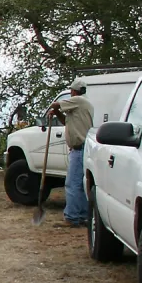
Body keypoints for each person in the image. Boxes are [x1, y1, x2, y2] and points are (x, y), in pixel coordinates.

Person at [47, 78, 95, 227]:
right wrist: (56, 112)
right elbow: (66, 121)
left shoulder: (78, 101)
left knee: (72, 184)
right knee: (80, 185)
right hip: (82, 149)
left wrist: (53, 108)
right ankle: (82, 216)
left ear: (74, 91)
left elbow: (55, 104)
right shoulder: (81, 105)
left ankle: (72, 217)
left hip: (79, 149)